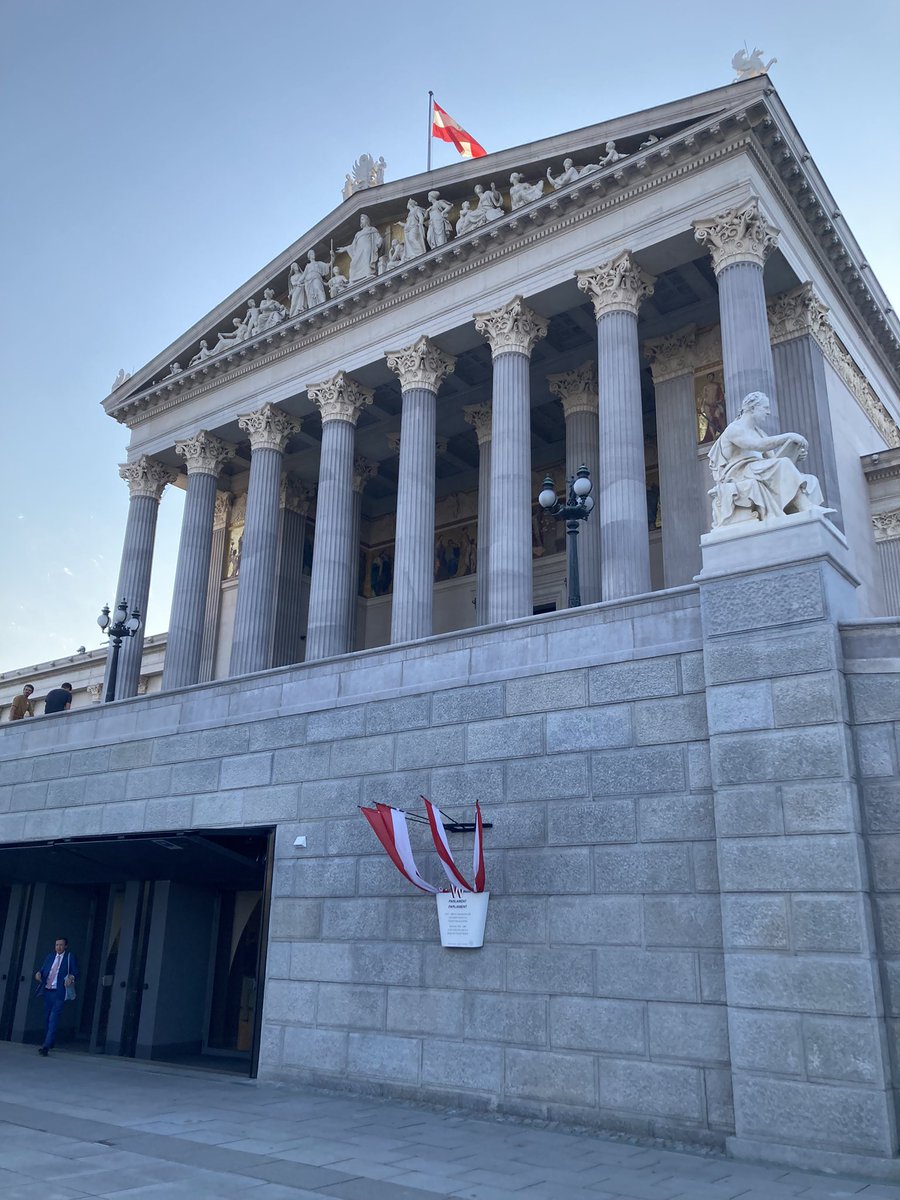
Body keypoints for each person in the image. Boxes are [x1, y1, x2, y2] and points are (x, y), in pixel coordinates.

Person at [708, 391, 831, 528]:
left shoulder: (760, 433)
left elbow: (775, 460)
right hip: (739, 473)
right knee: (783, 465)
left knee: (811, 479)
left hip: (758, 470)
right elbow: (757, 445)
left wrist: (795, 456)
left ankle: (803, 516)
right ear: (753, 408)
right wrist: (788, 436)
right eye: (765, 408)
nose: (768, 412)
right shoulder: (734, 429)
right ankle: (806, 507)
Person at [34, 937, 79, 1056]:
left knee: (54, 1018)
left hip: (59, 992)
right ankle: (51, 1041)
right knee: (47, 1017)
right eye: (56, 945)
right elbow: (43, 970)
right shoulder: (50, 957)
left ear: (66, 946)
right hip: (48, 991)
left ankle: (46, 1046)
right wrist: (38, 974)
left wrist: (71, 978)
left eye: (61, 945)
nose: (58, 947)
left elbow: (76, 972)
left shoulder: (69, 957)